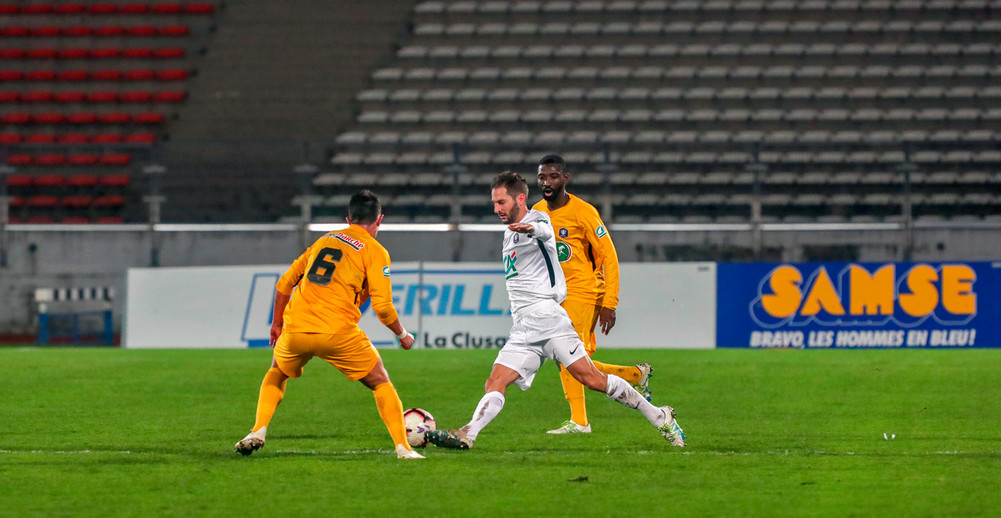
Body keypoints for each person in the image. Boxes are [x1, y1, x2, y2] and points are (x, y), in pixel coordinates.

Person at [426, 172, 685, 450]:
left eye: (501, 202)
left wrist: (533, 231)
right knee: (495, 380)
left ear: (520, 198)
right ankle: (468, 433)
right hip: (524, 327)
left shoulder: (537, 219)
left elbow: (545, 231)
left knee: (592, 380)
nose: (496, 209)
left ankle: (661, 416)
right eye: (494, 203)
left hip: (549, 320)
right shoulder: (509, 232)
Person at [234, 190, 424, 460]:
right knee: (381, 383)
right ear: (379, 220)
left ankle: (258, 431)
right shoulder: (375, 251)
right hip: (337, 332)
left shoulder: (324, 240)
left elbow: (284, 284)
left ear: (348, 218)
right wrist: (403, 335)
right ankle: (403, 448)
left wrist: (277, 324)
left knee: (277, 372)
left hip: (296, 327)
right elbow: (383, 307)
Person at [532, 154, 654, 435]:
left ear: (565, 178)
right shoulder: (537, 211)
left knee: (566, 354)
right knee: (568, 357)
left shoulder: (584, 212)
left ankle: (580, 421)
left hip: (584, 291)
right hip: (555, 295)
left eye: (552, 176)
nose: (546, 182)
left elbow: (609, 257)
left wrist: (609, 303)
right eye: (541, 177)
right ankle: (635, 374)